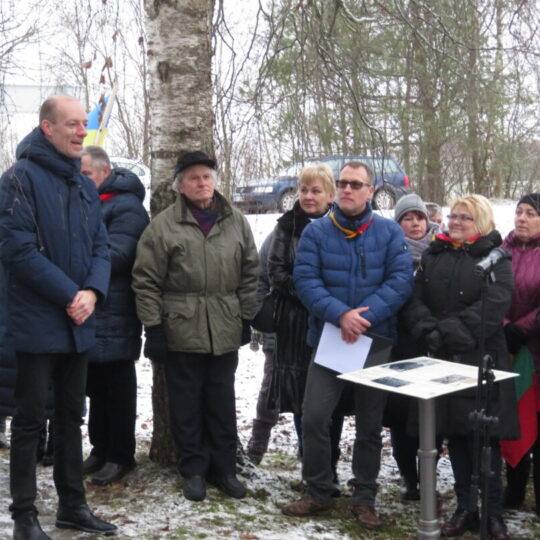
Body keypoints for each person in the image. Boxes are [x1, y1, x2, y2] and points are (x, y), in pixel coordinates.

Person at [0, 95, 116, 538]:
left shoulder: (83, 186)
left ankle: (73, 506)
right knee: (30, 421)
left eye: (83, 124)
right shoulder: (18, 180)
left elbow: (101, 247)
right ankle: (24, 517)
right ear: (47, 128)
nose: (81, 132)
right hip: (36, 321)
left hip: (78, 322)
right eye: (72, 124)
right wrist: (71, 294)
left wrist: (93, 292)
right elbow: (18, 251)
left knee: (71, 418)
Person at [282, 161, 414, 529]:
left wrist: (363, 317)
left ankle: (364, 496)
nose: (347, 189)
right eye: (342, 183)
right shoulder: (316, 233)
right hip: (331, 339)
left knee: (370, 425)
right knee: (314, 417)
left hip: (374, 339)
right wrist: (341, 315)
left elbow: (401, 280)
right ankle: (319, 489)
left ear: (370, 191)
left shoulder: (389, 233)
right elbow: (306, 281)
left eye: (356, 184)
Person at [132, 151, 259, 502]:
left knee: (222, 402)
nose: (201, 183)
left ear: (215, 181)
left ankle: (225, 469)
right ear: (180, 186)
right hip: (180, 330)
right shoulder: (163, 226)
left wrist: (246, 316)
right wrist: (153, 327)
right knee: (186, 406)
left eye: (206, 177)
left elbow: (251, 272)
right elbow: (145, 281)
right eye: (193, 178)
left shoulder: (235, 221)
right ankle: (193, 471)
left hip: (225, 327)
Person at [402, 195, 517, 540]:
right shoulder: (434, 254)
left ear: (480, 221)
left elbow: (494, 305)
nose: (456, 222)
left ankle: (493, 513)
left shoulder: (496, 258)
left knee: (484, 438)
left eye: (465, 217)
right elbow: (414, 299)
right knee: (456, 434)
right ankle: (465, 507)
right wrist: (429, 330)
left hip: (482, 358)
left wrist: (446, 332)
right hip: (442, 356)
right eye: (453, 216)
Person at [265, 164, 345, 481]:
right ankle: (310, 463)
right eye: (304, 190)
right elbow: (276, 272)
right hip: (296, 322)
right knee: (303, 396)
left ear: (330, 195)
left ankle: (331, 462)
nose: (308, 196)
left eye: (316, 191)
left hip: (333, 322)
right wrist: (313, 294)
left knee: (332, 396)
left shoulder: (342, 225)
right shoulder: (286, 227)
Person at [80, 146, 149, 486]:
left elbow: (118, 254)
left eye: (86, 174)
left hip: (117, 308)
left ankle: (121, 454)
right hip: (92, 308)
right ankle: (99, 448)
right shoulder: (88, 202)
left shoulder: (127, 207)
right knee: (95, 384)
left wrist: (73, 260)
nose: (81, 180)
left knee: (118, 385)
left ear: (104, 171)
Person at [385, 193, 441, 501]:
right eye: (408, 218)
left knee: (433, 417)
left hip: (434, 343)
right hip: (399, 345)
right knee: (400, 417)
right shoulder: (389, 253)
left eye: (419, 217)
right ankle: (410, 479)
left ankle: (429, 476)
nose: (415, 223)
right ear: (398, 223)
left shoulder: (441, 251)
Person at [500, 193, 540, 515]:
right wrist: (504, 327)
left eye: (531, 213)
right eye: (519, 212)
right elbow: (488, 293)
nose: (522, 218)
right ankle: (513, 491)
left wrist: (520, 329)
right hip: (508, 350)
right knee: (513, 420)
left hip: (536, 348)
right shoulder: (501, 251)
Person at [246, 232, 278, 464]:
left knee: (311, 396)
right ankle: (258, 444)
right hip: (278, 329)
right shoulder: (279, 235)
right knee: (271, 388)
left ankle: (309, 452)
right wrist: (263, 316)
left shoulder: (332, 230)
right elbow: (259, 281)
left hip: (318, 330)